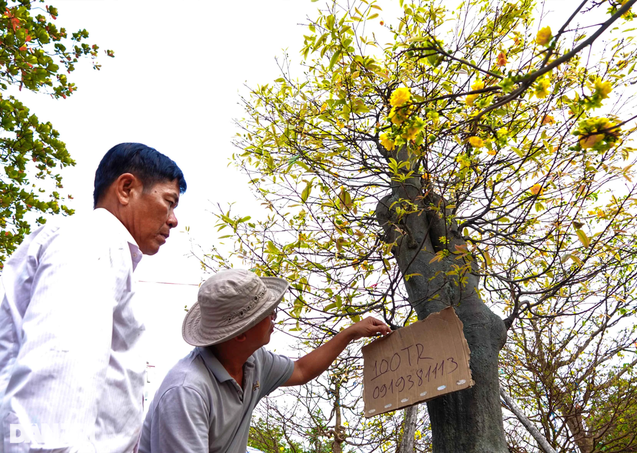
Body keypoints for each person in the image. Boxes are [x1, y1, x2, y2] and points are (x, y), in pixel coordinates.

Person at [0, 143, 187, 452]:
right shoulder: (94, 242)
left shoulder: (97, 245)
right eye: (169, 202)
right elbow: (57, 379)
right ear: (126, 188)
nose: (173, 219)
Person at [139, 269, 391, 452]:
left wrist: (351, 332)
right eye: (268, 314)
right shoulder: (186, 393)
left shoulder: (252, 362)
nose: (274, 318)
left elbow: (301, 370)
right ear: (240, 334)